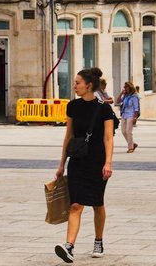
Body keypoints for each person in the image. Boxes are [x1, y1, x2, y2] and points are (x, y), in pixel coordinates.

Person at [55, 67, 117, 262]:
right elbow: (68, 136)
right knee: (75, 204)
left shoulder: (104, 108)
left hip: (97, 161)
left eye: (77, 83)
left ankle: (98, 241)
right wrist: (61, 164)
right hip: (78, 160)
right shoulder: (72, 106)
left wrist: (108, 163)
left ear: (89, 85)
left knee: (97, 203)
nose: (74, 86)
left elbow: (108, 138)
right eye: (74, 82)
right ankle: (69, 246)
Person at [117, 81, 141, 154]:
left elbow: (136, 108)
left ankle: (130, 147)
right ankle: (133, 143)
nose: (124, 88)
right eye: (124, 87)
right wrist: (121, 93)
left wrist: (135, 118)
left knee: (128, 131)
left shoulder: (134, 96)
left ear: (130, 88)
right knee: (123, 131)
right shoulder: (125, 96)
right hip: (124, 114)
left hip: (131, 115)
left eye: (126, 87)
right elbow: (118, 101)